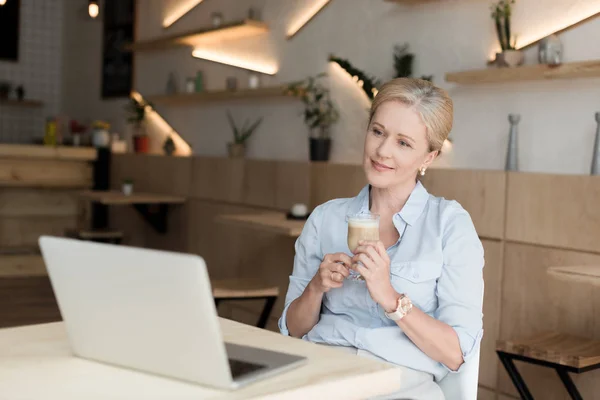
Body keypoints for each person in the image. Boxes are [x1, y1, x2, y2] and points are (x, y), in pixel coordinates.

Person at [278, 78, 484, 399]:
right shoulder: (325, 219)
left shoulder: (450, 226)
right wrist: (316, 288)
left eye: (403, 143)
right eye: (378, 132)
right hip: (320, 374)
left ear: (428, 158)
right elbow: (292, 330)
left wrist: (390, 297)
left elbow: (457, 352)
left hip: (397, 386)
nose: (383, 150)